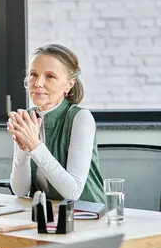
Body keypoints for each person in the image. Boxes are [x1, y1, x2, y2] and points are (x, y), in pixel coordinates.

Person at [8, 44, 104, 203]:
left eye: (50, 76)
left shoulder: (81, 118)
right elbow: (20, 190)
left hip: (86, 215)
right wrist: (22, 151)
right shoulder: (27, 118)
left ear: (69, 84)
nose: (38, 83)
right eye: (33, 74)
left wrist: (34, 145)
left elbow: (73, 192)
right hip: (47, 214)